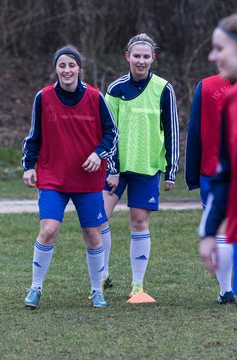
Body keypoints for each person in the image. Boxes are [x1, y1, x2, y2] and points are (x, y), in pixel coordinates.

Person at [22, 44, 119, 308]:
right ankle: (35, 288)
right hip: (53, 176)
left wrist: (99, 154)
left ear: (79, 68)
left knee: (93, 235)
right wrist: (29, 166)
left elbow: (112, 134)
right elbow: (34, 136)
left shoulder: (96, 97)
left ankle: (97, 290)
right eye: (62, 65)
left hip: (87, 179)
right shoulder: (43, 97)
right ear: (56, 68)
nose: (67, 70)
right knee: (49, 230)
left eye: (71, 65)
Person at [101, 33, 179, 297]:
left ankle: (137, 285)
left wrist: (171, 169)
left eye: (146, 56)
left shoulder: (163, 88)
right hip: (116, 168)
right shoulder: (115, 89)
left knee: (139, 222)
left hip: (146, 167)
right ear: (128, 57)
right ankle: (102, 275)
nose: (141, 61)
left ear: (153, 58)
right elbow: (106, 131)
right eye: (137, 56)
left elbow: (172, 131)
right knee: (98, 218)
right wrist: (110, 167)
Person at [185, 74, 235, 304]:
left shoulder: (205, 85)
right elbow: (196, 129)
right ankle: (227, 290)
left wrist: (193, 174)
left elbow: (194, 130)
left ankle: (227, 290)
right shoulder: (206, 86)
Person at [198, 14, 237, 292]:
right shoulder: (230, 103)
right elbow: (226, 174)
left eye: (220, 48)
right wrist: (210, 231)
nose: (212, 57)